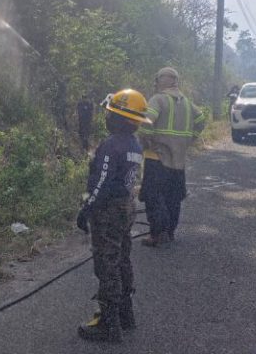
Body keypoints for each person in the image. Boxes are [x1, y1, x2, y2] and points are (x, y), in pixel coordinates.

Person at [75, 89, 151, 343]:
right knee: (122, 259)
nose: (106, 117)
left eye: (110, 113)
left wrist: (86, 209)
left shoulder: (111, 145)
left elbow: (102, 183)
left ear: (118, 118)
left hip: (108, 212)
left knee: (107, 265)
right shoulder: (134, 144)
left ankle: (109, 325)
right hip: (126, 208)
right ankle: (125, 314)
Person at [138, 67, 206, 247]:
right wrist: (190, 139)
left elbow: (146, 122)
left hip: (157, 158)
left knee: (153, 197)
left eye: (157, 79)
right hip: (178, 161)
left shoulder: (158, 99)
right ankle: (169, 232)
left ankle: (157, 234)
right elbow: (201, 120)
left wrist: (146, 141)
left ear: (163, 80)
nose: (155, 83)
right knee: (173, 198)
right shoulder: (187, 103)